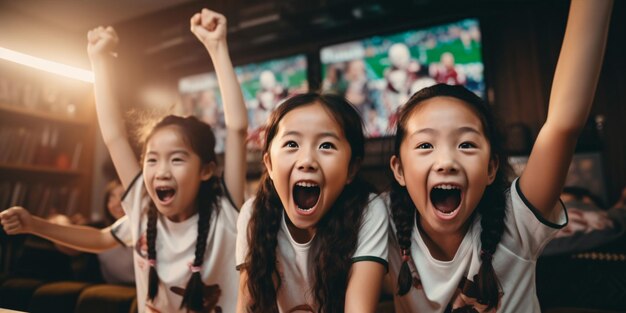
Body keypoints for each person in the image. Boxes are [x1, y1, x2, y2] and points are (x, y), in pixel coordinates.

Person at [2, 8, 247, 313]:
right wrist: (99, 61)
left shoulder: (226, 212)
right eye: (152, 159)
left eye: (177, 159)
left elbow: (236, 129)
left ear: (207, 170)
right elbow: (114, 140)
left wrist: (216, 46)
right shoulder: (142, 207)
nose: (161, 171)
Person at [386, 0, 613, 312]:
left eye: (466, 144)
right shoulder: (383, 229)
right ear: (398, 169)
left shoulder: (516, 224)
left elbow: (563, 124)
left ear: (492, 168)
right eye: (425, 145)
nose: (447, 162)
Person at [236, 93, 389, 313]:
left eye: (326, 145)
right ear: (269, 163)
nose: (307, 161)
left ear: (351, 169)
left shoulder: (369, 211)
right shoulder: (253, 213)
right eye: (291, 143)